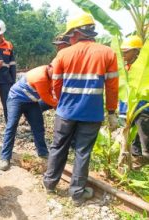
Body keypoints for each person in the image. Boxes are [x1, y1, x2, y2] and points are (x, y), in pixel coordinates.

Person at [42, 13, 119, 206]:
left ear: (77, 32)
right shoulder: (108, 53)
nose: (69, 39)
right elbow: (112, 86)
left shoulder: (63, 54)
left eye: (70, 35)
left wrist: (62, 102)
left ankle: (49, 184)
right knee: (83, 152)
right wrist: (111, 111)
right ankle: (77, 194)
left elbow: (56, 85)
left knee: (58, 147)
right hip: (91, 114)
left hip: (65, 112)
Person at [0, 65, 58, 171]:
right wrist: (58, 106)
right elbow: (46, 98)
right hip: (16, 99)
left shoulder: (52, 75)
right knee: (11, 126)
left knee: (38, 127)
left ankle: (43, 152)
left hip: (31, 102)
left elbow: (52, 90)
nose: (56, 76)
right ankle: (5, 158)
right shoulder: (40, 77)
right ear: (50, 67)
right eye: (55, 73)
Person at [119, 35, 149, 161]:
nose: (123, 55)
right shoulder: (124, 69)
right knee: (128, 138)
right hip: (125, 109)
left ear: (136, 52)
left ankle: (144, 160)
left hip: (142, 108)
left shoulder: (144, 69)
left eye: (126, 52)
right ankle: (132, 159)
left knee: (144, 138)